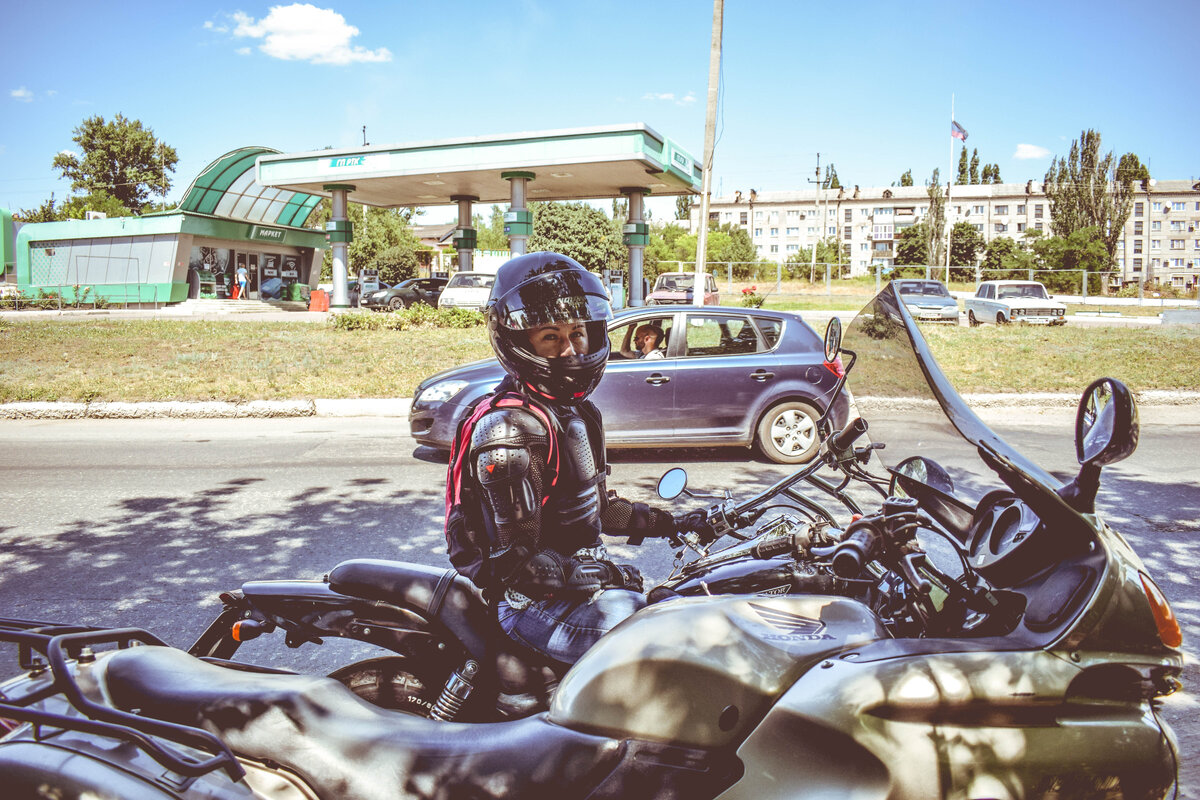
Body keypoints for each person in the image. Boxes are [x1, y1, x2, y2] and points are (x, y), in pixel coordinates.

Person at [446, 252, 711, 665]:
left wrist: (677, 522)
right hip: (533, 606)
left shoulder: (577, 413)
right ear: (519, 342)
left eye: (579, 333)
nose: (570, 350)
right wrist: (611, 574)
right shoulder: (511, 430)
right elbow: (524, 567)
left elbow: (599, 511)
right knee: (676, 652)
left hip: (579, 591)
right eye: (550, 336)